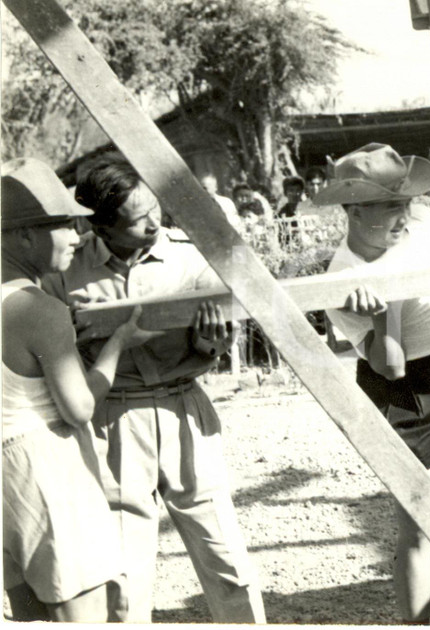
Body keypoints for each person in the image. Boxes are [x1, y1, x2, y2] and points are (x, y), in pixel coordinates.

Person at [41, 153, 267, 623]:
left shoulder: (189, 255)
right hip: (111, 423)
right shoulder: (65, 273)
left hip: (184, 410)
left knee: (226, 560)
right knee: (125, 576)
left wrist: (212, 342)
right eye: (138, 220)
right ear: (101, 227)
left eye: (154, 210)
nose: (153, 223)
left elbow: (214, 341)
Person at [315, 143, 430, 625]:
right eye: (389, 206)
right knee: (418, 525)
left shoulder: (426, 225)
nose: (404, 215)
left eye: (406, 200)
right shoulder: (344, 276)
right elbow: (389, 366)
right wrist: (387, 308)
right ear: (353, 211)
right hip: (398, 387)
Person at [1, 158, 155, 622]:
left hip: (8, 477)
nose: (78, 237)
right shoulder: (38, 308)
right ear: (25, 235)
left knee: (31, 611)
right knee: (82, 609)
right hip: (45, 465)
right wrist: (118, 343)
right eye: (65, 226)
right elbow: (79, 408)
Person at [277, 175, 305, 246]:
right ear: (285, 193)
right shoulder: (281, 214)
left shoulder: (307, 210)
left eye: (298, 190)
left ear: (302, 192)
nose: (295, 194)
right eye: (291, 190)